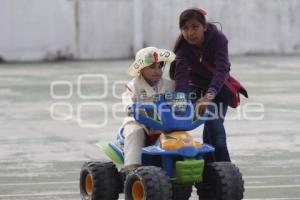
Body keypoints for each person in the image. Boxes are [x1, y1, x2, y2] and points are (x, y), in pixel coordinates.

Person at [169, 8, 232, 162]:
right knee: (215, 133)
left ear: (204, 27)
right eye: (185, 28)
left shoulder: (218, 39)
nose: (190, 33)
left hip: (219, 90)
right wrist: (179, 104)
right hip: (197, 91)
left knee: (214, 137)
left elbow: (221, 70)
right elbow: (181, 79)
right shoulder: (183, 49)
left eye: (194, 27)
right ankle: (216, 178)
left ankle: (226, 177)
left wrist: (209, 96)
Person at [121, 47, 175, 171]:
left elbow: (179, 99)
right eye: (151, 67)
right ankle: (132, 167)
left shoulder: (170, 85)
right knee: (134, 131)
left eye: (159, 66)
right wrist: (130, 107)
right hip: (141, 122)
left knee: (180, 134)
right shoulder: (133, 85)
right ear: (140, 69)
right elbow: (127, 99)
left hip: (165, 122)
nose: (156, 71)